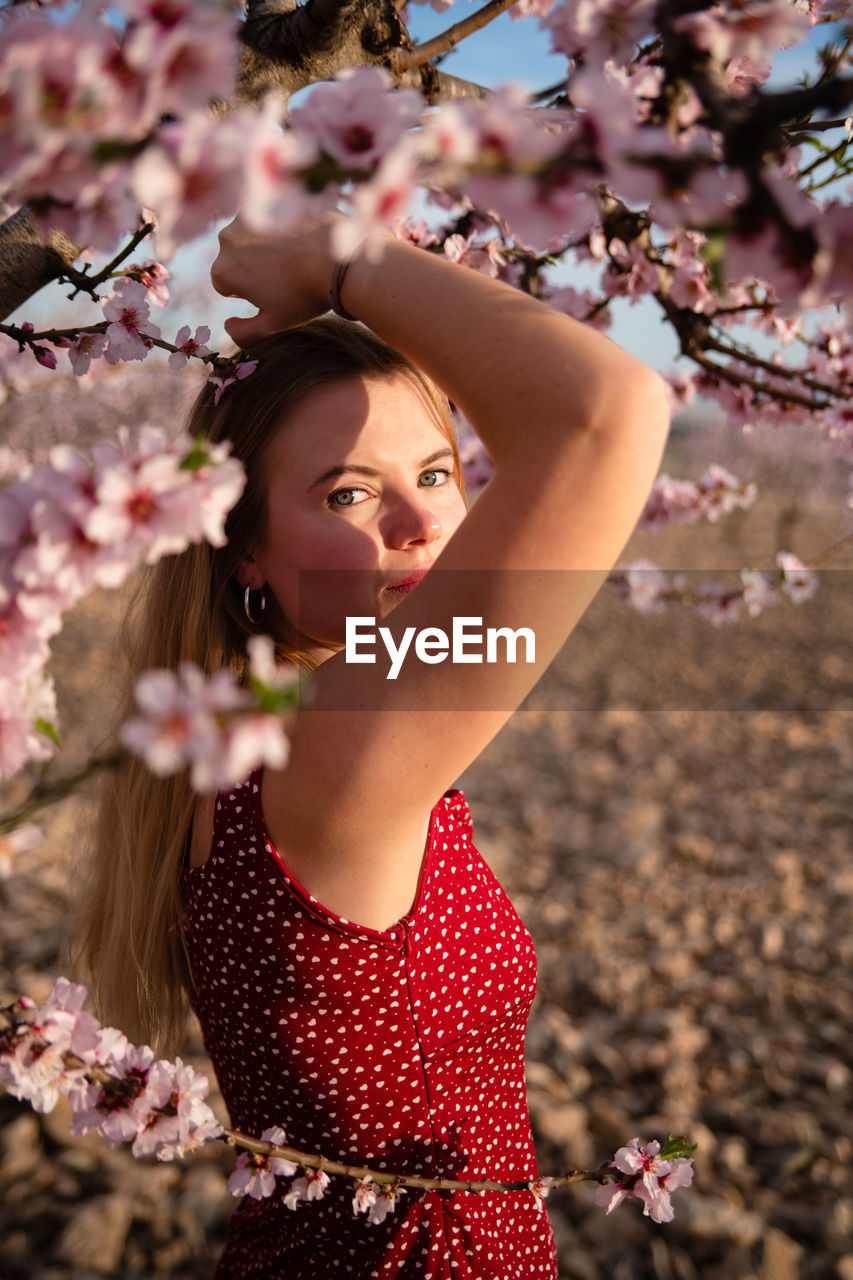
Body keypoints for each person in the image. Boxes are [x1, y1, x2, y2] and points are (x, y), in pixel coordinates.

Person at [81, 213, 670, 1278]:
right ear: (245, 545)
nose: (420, 524)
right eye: (348, 491)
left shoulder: (249, 745)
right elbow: (606, 414)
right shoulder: (325, 759)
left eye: (439, 472)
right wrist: (346, 261)